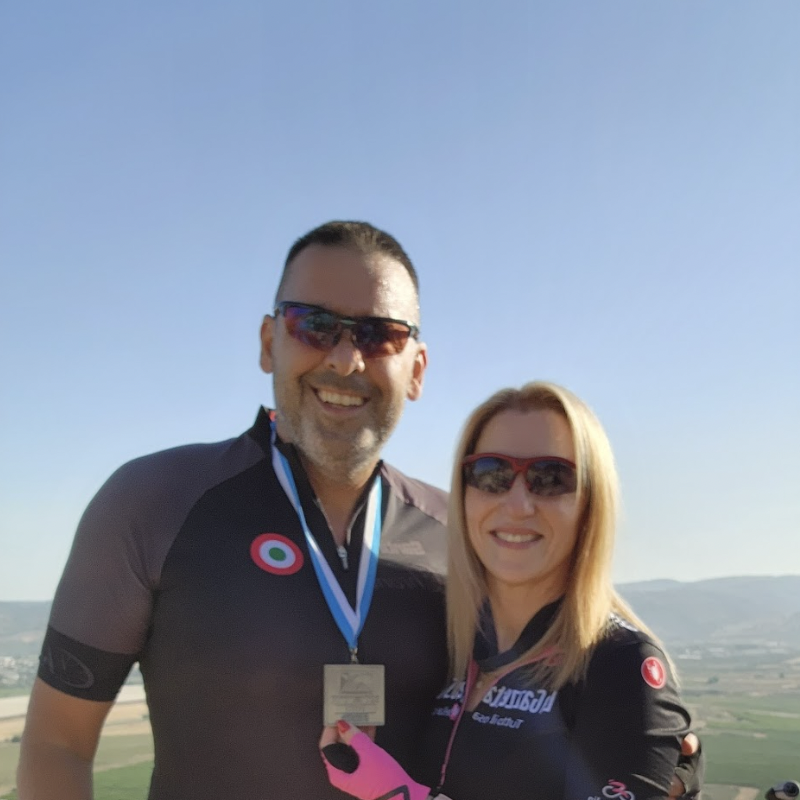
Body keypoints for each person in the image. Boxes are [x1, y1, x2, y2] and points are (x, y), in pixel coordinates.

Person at [18, 222, 698, 799]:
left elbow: (562, 659)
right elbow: (56, 745)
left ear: (418, 369)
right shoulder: (154, 501)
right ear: (269, 342)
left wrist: (652, 750)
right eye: (313, 325)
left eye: (380, 335)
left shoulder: (460, 532)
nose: (345, 360)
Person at [321, 381, 698, 800]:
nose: (518, 505)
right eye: (491, 474)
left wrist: (397, 794)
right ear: (464, 494)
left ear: (591, 503)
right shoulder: (451, 641)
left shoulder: (620, 664)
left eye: (551, 478)